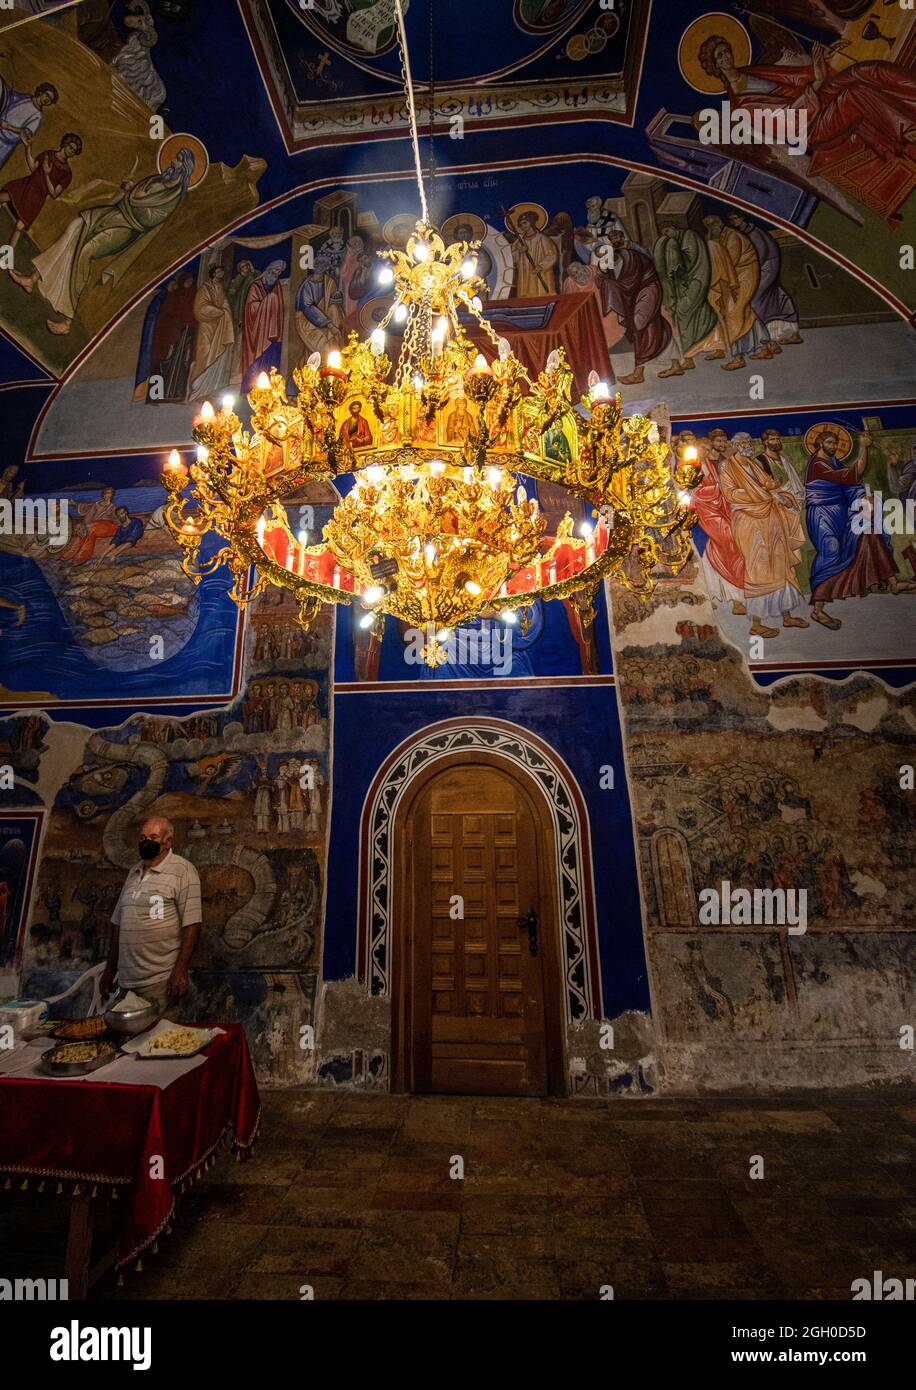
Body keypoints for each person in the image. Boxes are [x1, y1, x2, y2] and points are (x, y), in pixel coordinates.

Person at [10, 148, 196, 335]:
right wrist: (128, 190)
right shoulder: (158, 179)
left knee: (86, 252)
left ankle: (67, 319)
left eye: (179, 160)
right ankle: (32, 278)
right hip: (114, 212)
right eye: (176, 157)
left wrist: (131, 196)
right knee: (74, 228)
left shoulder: (174, 195)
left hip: (127, 227)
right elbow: (133, 194)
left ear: (185, 168)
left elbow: (151, 218)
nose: (173, 161)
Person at [805, 427, 912, 628]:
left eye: (835, 443)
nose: (834, 446)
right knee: (831, 551)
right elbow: (850, 476)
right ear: (820, 444)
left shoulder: (834, 462)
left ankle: (893, 583)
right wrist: (863, 448)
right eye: (829, 443)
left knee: (870, 533)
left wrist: (863, 497)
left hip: (843, 513)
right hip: (822, 516)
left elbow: (849, 488)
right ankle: (818, 611)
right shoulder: (817, 464)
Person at [100, 816, 201, 1020]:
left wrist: (180, 970)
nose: (146, 841)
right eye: (142, 837)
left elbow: (192, 924)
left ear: (168, 842)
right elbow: (118, 924)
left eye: (153, 837)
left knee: (159, 1042)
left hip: (160, 981)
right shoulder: (133, 873)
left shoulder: (183, 870)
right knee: (127, 1044)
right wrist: (110, 968)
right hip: (127, 982)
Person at [719, 432, 809, 638]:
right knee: (757, 568)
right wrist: (763, 495)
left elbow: (768, 483)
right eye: (742, 442)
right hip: (749, 520)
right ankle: (756, 624)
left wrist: (781, 495)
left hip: (770, 517)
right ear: (734, 445)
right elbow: (731, 493)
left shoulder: (753, 464)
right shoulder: (727, 467)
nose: (746, 445)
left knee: (781, 563)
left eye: (748, 442)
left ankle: (787, 616)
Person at [600, 225, 671, 385]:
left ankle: (638, 372)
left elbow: (628, 282)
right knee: (654, 327)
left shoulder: (632, 255)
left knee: (639, 325)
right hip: (638, 294)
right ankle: (674, 363)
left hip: (648, 290)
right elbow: (615, 280)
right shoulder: (617, 258)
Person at [0, 133, 81, 249]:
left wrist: (47, 174)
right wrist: (28, 148)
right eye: (71, 147)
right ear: (65, 144)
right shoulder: (48, 154)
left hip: (36, 198)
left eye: (74, 151)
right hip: (26, 185)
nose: (71, 151)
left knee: (19, 226)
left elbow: (54, 194)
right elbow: (33, 167)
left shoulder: (67, 173)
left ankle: (7, 261)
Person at [0, 77, 58, 174]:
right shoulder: (26, 97)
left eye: (50, 100)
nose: (47, 99)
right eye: (47, 95)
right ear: (41, 92)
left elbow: (25, 133)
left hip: (4, 144)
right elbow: (11, 97)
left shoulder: (38, 116)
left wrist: (7, 126)